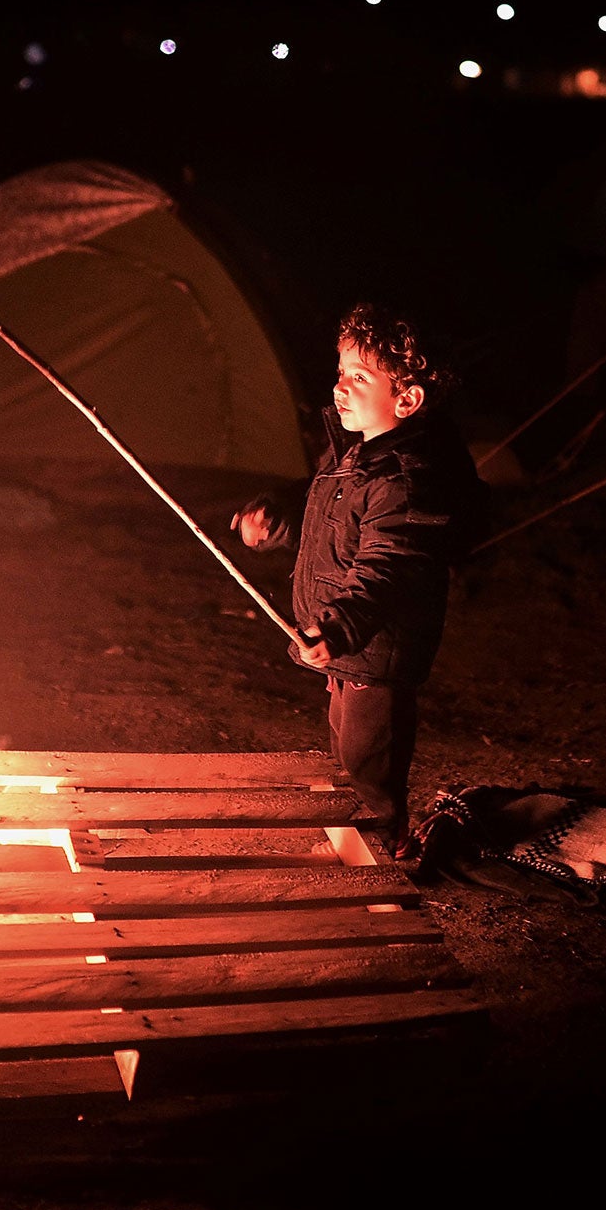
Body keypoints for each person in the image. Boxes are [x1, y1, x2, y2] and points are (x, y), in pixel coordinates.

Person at [233, 304, 485, 858]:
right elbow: (327, 505)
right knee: (345, 743)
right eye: (342, 371)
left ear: (407, 399)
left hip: (378, 645)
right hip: (348, 641)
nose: (340, 387)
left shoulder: (406, 481)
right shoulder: (358, 452)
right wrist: (278, 515)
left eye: (359, 377)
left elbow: (389, 565)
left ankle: (388, 845)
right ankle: (362, 834)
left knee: (370, 755)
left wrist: (341, 627)